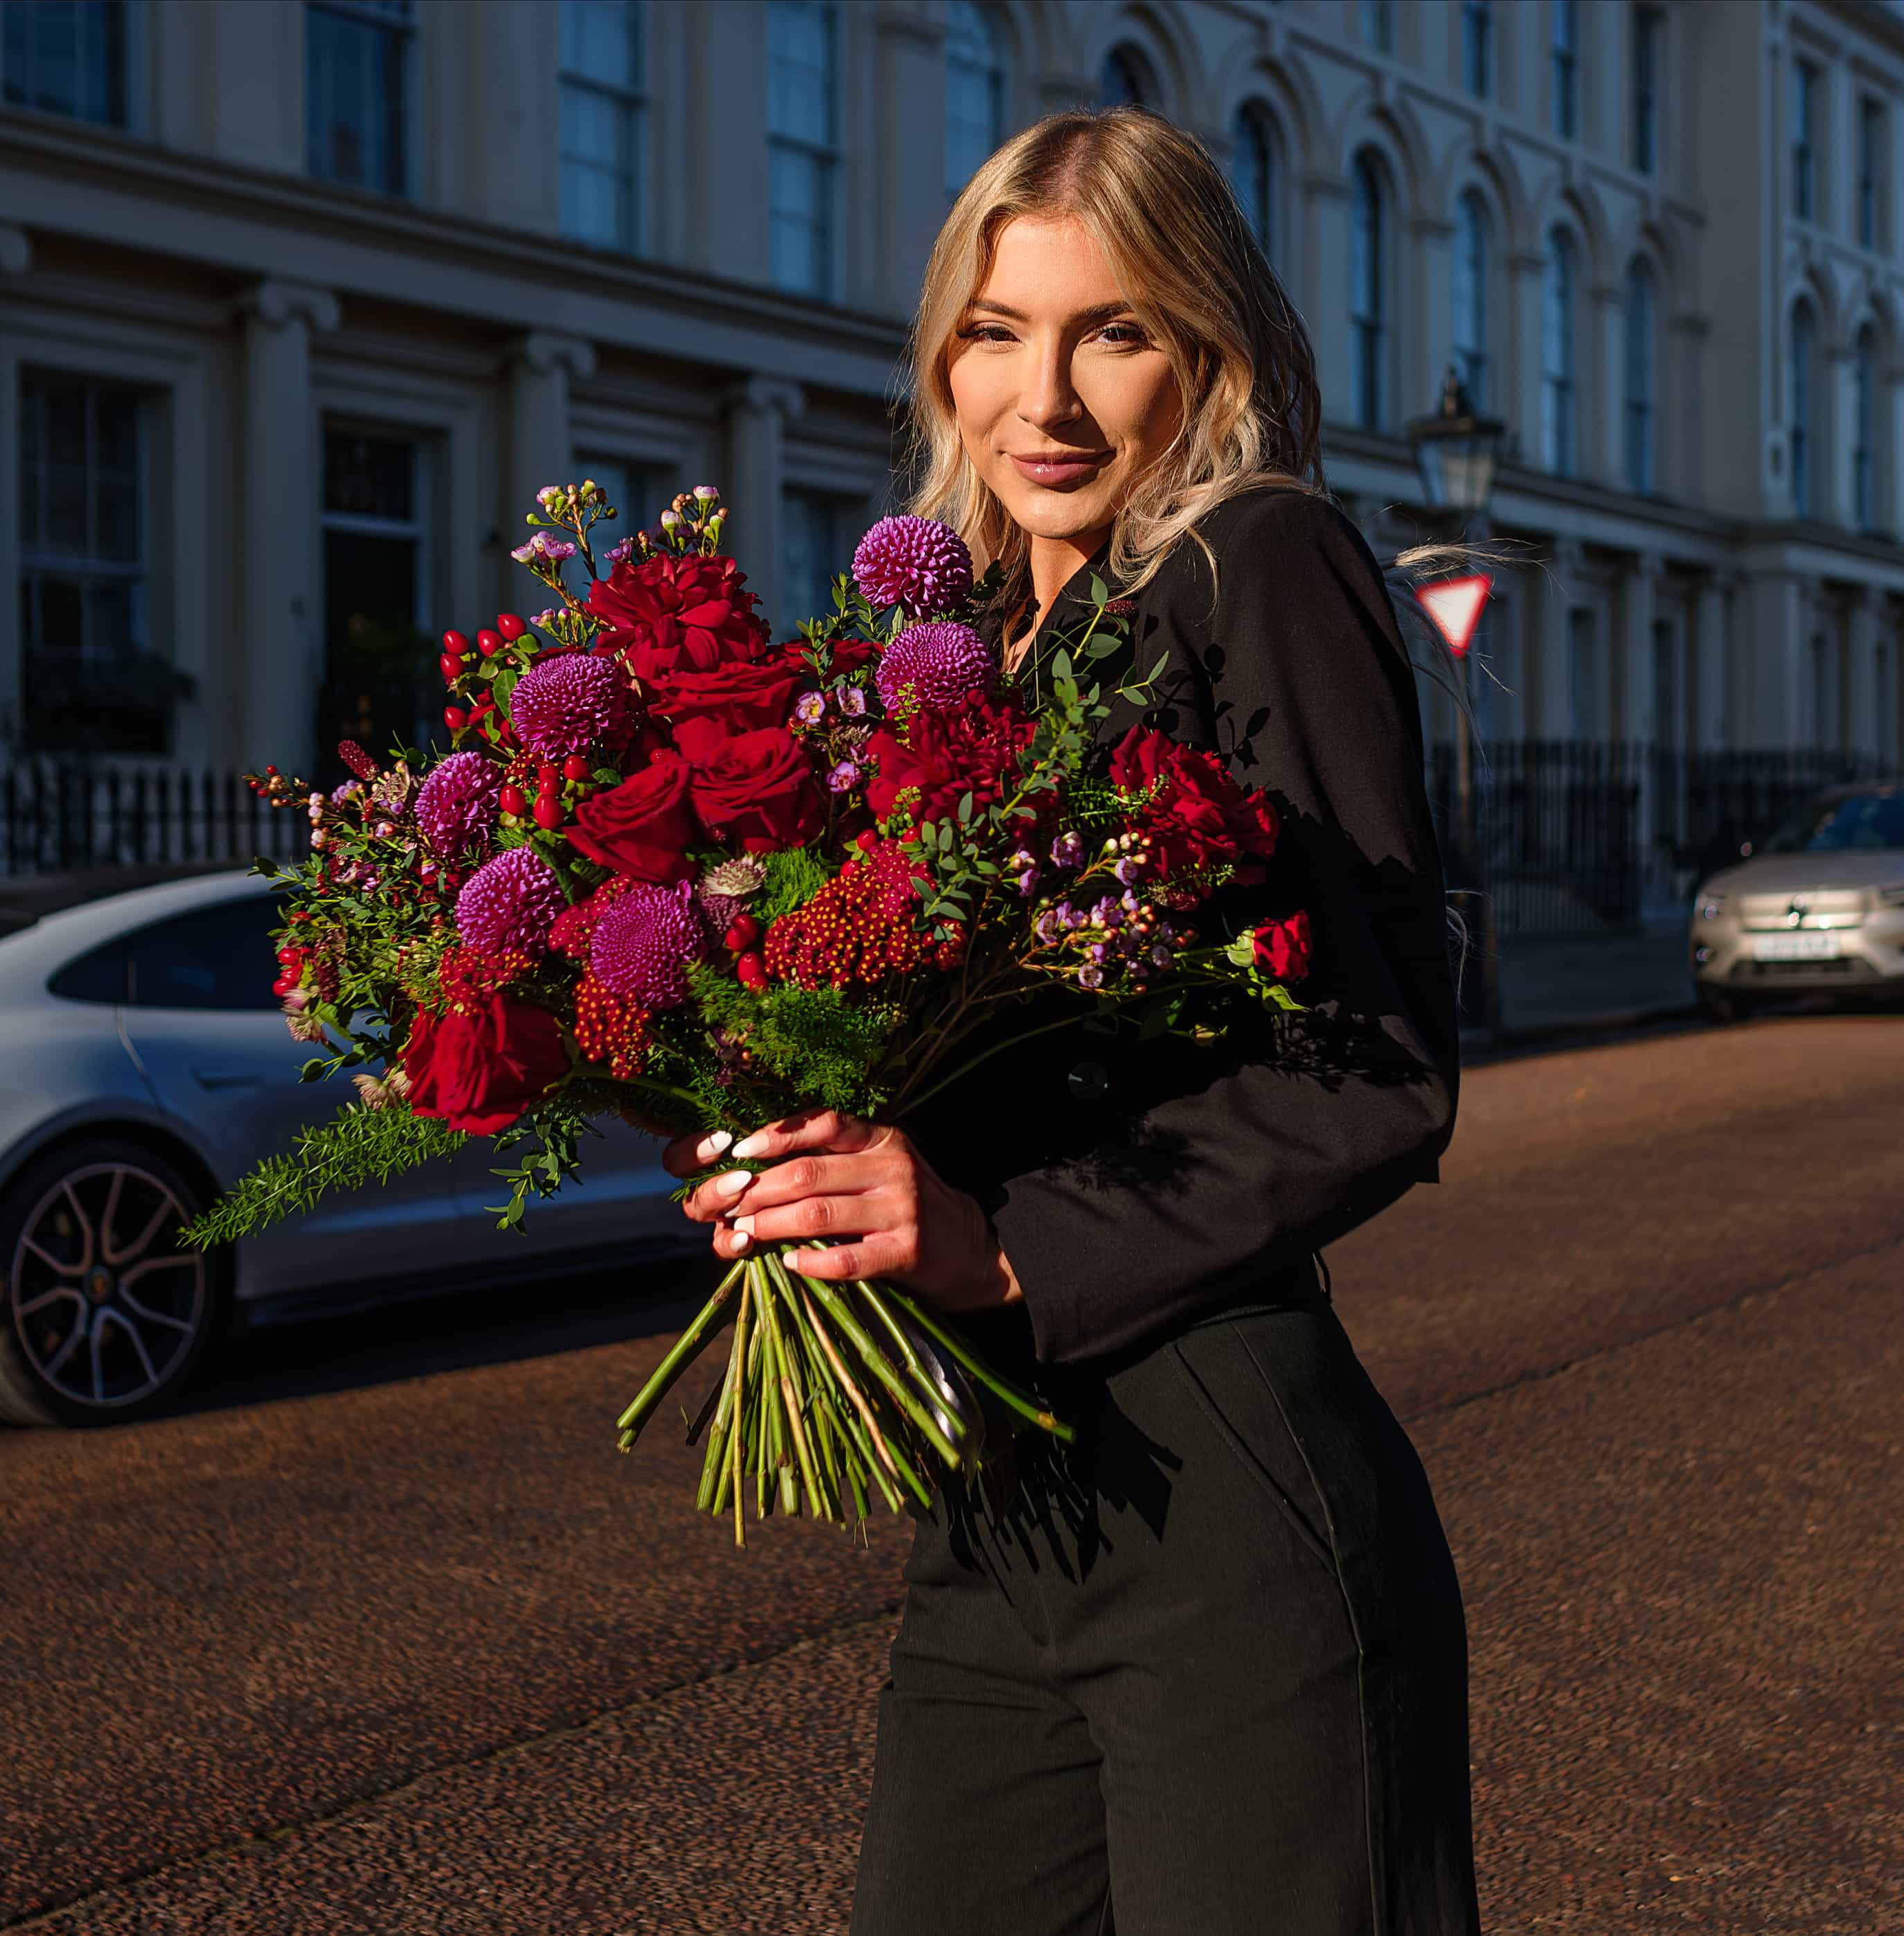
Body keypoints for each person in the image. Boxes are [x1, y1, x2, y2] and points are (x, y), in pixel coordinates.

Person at [666, 108, 1479, 1935]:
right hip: (1001, 1507)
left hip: (1220, 1496)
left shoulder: (1253, 559)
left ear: (1203, 354)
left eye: (1111, 332)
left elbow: (1380, 1066)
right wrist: (785, 1141)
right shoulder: (967, 657)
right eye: (993, 328)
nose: (1040, 392)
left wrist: (999, 1239)